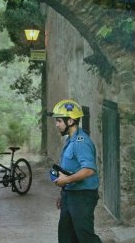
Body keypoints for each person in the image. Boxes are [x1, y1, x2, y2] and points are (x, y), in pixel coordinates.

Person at [50, 99, 101, 243]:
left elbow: (89, 170)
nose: (57, 125)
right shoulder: (71, 140)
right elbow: (70, 170)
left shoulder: (81, 142)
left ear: (71, 121)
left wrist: (66, 180)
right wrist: (64, 194)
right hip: (70, 194)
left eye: (59, 121)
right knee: (66, 237)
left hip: (82, 196)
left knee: (85, 237)